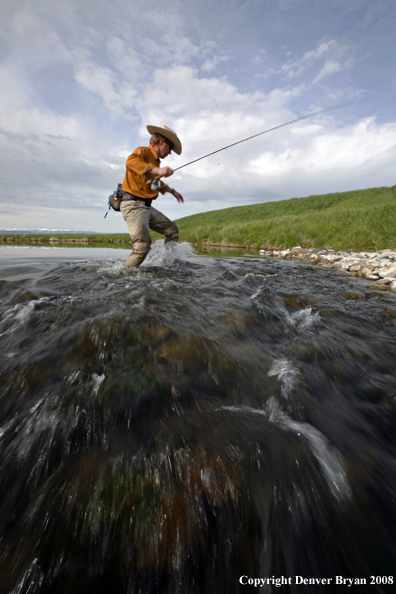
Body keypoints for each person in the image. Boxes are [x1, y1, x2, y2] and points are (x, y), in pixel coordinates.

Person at [120, 124, 184, 268]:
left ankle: (167, 266)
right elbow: (131, 163)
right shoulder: (142, 151)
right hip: (133, 205)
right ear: (161, 142)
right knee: (142, 247)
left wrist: (172, 191)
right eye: (170, 147)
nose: (170, 152)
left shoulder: (156, 163)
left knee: (172, 231)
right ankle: (124, 279)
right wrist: (158, 170)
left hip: (146, 207)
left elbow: (155, 183)